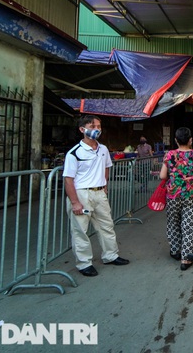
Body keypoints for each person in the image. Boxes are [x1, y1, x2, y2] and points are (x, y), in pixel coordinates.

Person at [63, 115, 130, 277]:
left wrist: (104, 185)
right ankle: (84, 263)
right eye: (92, 126)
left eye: (99, 126)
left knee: (106, 225)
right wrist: (75, 202)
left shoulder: (103, 149)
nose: (97, 130)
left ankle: (111, 255)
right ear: (82, 129)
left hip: (99, 193)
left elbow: (106, 167)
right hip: (82, 194)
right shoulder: (74, 153)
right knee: (80, 230)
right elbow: (68, 180)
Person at [159, 127, 193, 271]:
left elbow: (162, 176)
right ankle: (186, 258)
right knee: (189, 225)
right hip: (191, 195)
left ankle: (175, 251)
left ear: (176, 141)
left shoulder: (169, 155)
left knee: (173, 222)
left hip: (173, 195)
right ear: (191, 140)